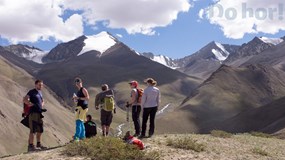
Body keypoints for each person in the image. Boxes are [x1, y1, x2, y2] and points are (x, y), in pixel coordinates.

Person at [23, 79, 47, 152]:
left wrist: (41, 105)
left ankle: (38, 144)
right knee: (33, 130)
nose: (41, 86)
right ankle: (31, 146)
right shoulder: (31, 92)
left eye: (42, 85)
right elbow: (25, 99)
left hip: (39, 113)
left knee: (40, 129)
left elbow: (42, 101)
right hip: (33, 113)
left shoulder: (40, 93)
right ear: (35, 84)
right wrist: (29, 103)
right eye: (39, 85)